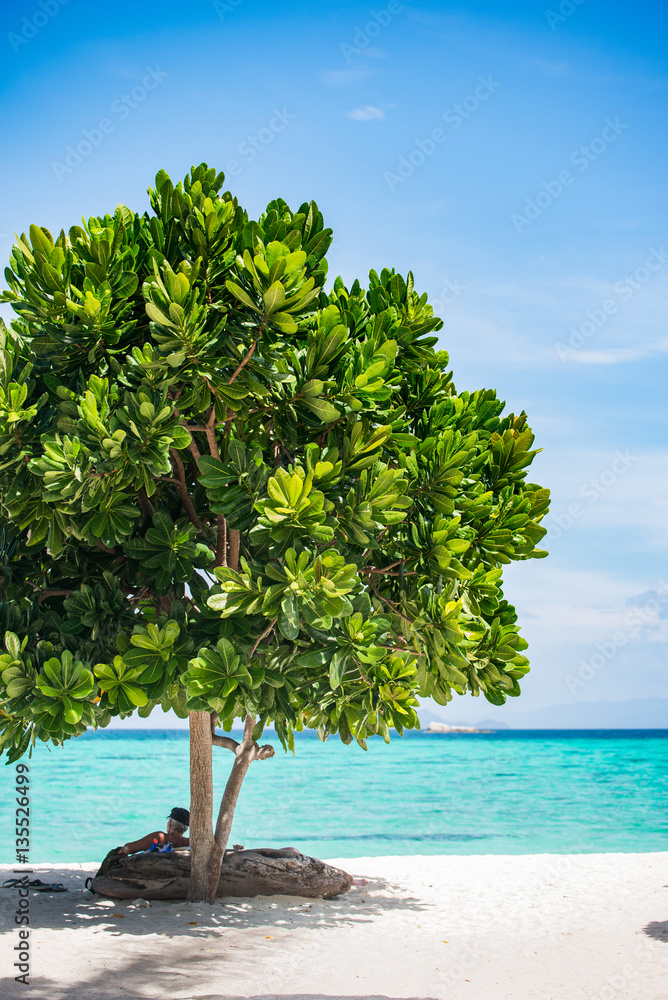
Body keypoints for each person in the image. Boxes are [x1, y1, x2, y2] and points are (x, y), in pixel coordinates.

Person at [117, 807, 190, 856]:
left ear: (170, 823)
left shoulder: (160, 837)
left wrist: (122, 849)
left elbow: (128, 849)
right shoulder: (189, 842)